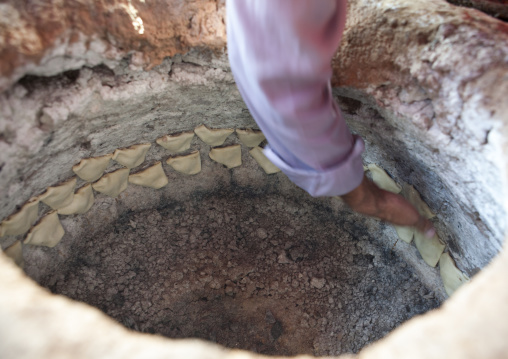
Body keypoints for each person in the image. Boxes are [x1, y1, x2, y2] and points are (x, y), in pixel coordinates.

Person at [226, 0, 435, 237]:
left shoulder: (308, 132)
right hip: (277, 95)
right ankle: (419, 223)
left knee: (367, 201)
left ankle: (422, 225)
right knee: (366, 200)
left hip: (286, 106)